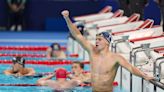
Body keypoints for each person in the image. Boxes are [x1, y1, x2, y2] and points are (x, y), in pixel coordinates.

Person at [61, 10, 154, 92]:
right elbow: (78, 35)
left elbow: (131, 68)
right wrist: (67, 18)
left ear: (107, 42)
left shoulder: (115, 58)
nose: (96, 41)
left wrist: (144, 76)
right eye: (96, 39)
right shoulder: (92, 51)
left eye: (99, 39)